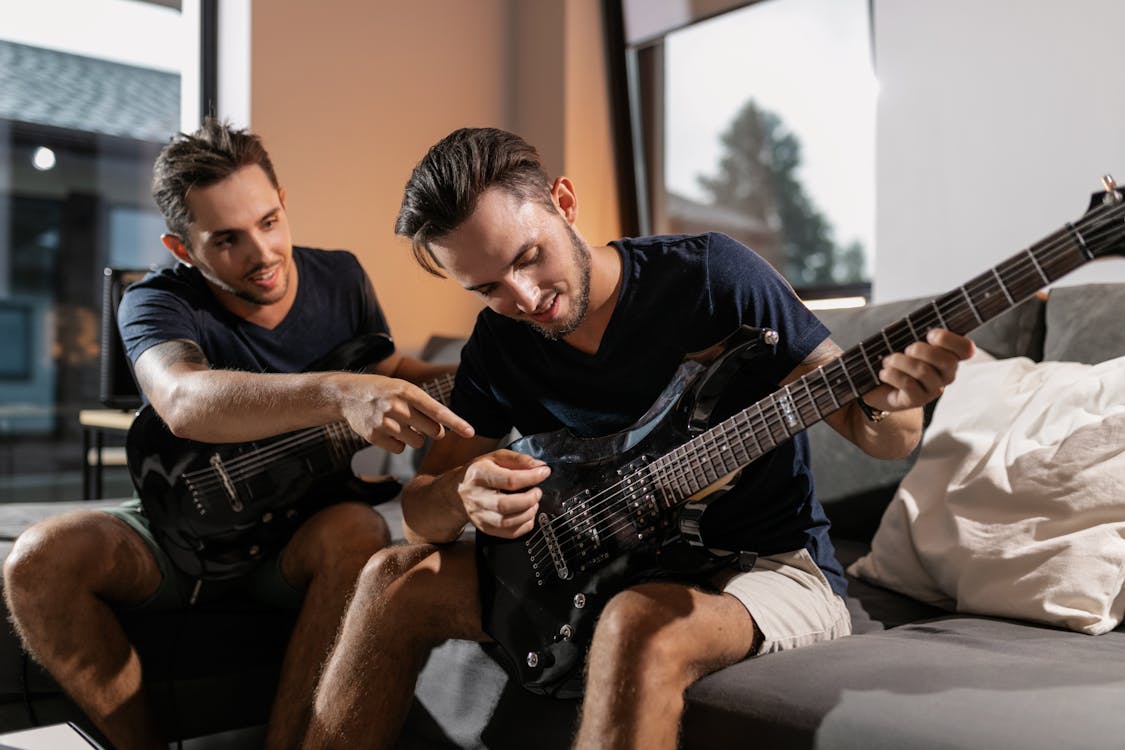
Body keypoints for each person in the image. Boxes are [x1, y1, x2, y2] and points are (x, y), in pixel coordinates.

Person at [302, 127, 975, 750]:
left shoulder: (709, 276)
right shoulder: (497, 347)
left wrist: (898, 402)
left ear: (563, 201)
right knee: (391, 577)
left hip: (762, 569)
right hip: (586, 572)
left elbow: (877, 431)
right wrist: (461, 494)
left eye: (529, 258)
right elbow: (420, 514)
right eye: (488, 289)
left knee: (636, 621)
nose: (526, 298)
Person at [2, 118, 473, 750]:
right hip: (174, 525)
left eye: (269, 222)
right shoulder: (155, 301)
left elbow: (387, 375)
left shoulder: (341, 277)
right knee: (37, 558)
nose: (260, 254)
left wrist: (488, 368)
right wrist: (339, 391)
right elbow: (182, 399)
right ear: (181, 248)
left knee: (357, 529)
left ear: (284, 206)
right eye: (226, 239)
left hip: (301, 536)